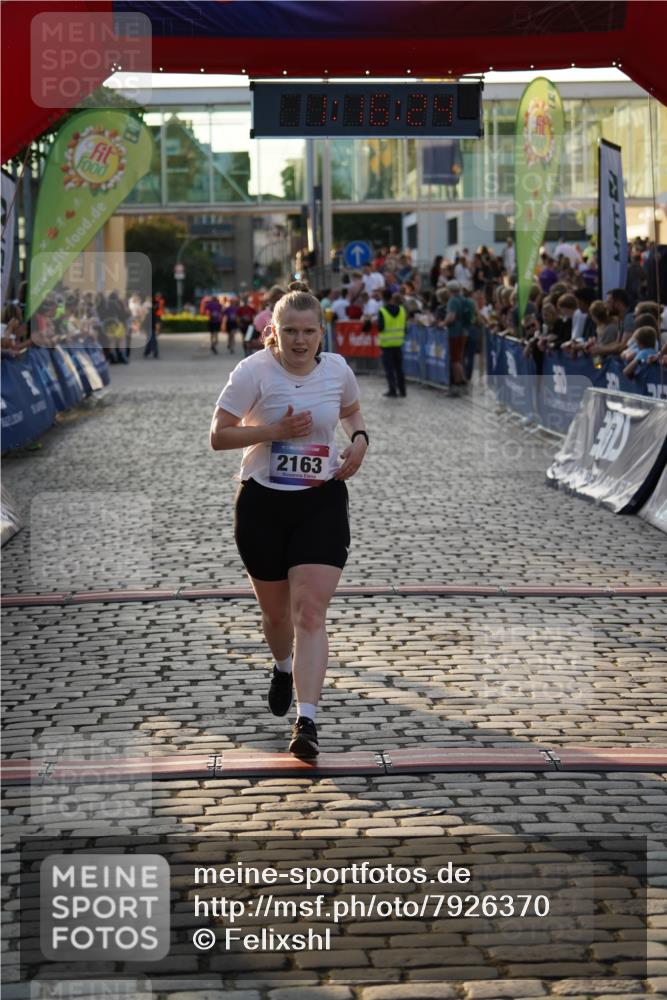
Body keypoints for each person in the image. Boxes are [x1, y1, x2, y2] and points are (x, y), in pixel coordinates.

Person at [210, 281, 369, 759]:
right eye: (290, 332)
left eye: (308, 332)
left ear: (322, 334)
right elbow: (219, 436)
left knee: (309, 613)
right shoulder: (252, 372)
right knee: (277, 614)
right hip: (263, 503)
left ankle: (308, 720)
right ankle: (282, 665)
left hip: (320, 501)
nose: (300, 341)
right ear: (273, 333)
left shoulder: (338, 369)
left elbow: (352, 413)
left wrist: (359, 441)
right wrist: (274, 431)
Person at [377, 288, 407, 398]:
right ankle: (403, 390)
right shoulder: (402, 310)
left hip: (386, 345)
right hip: (398, 344)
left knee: (389, 369)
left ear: (383, 298)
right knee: (399, 368)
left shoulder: (383, 311)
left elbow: (381, 327)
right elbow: (405, 326)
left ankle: (393, 390)